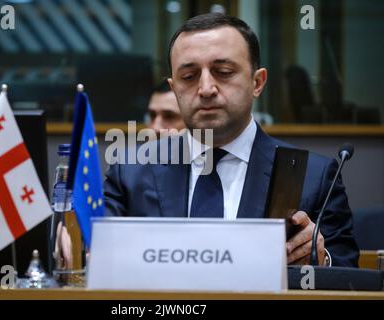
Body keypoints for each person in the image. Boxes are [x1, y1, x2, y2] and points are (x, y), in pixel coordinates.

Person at [103, 13, 359, 267]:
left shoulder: (313, 177)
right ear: (174, 88)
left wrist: (320, 258)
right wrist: (73, 240)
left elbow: (348, 274)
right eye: (189, 77)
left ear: (257, 82)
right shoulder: (131, 172)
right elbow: (97, 254)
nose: (205, 89)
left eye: (223, 72)